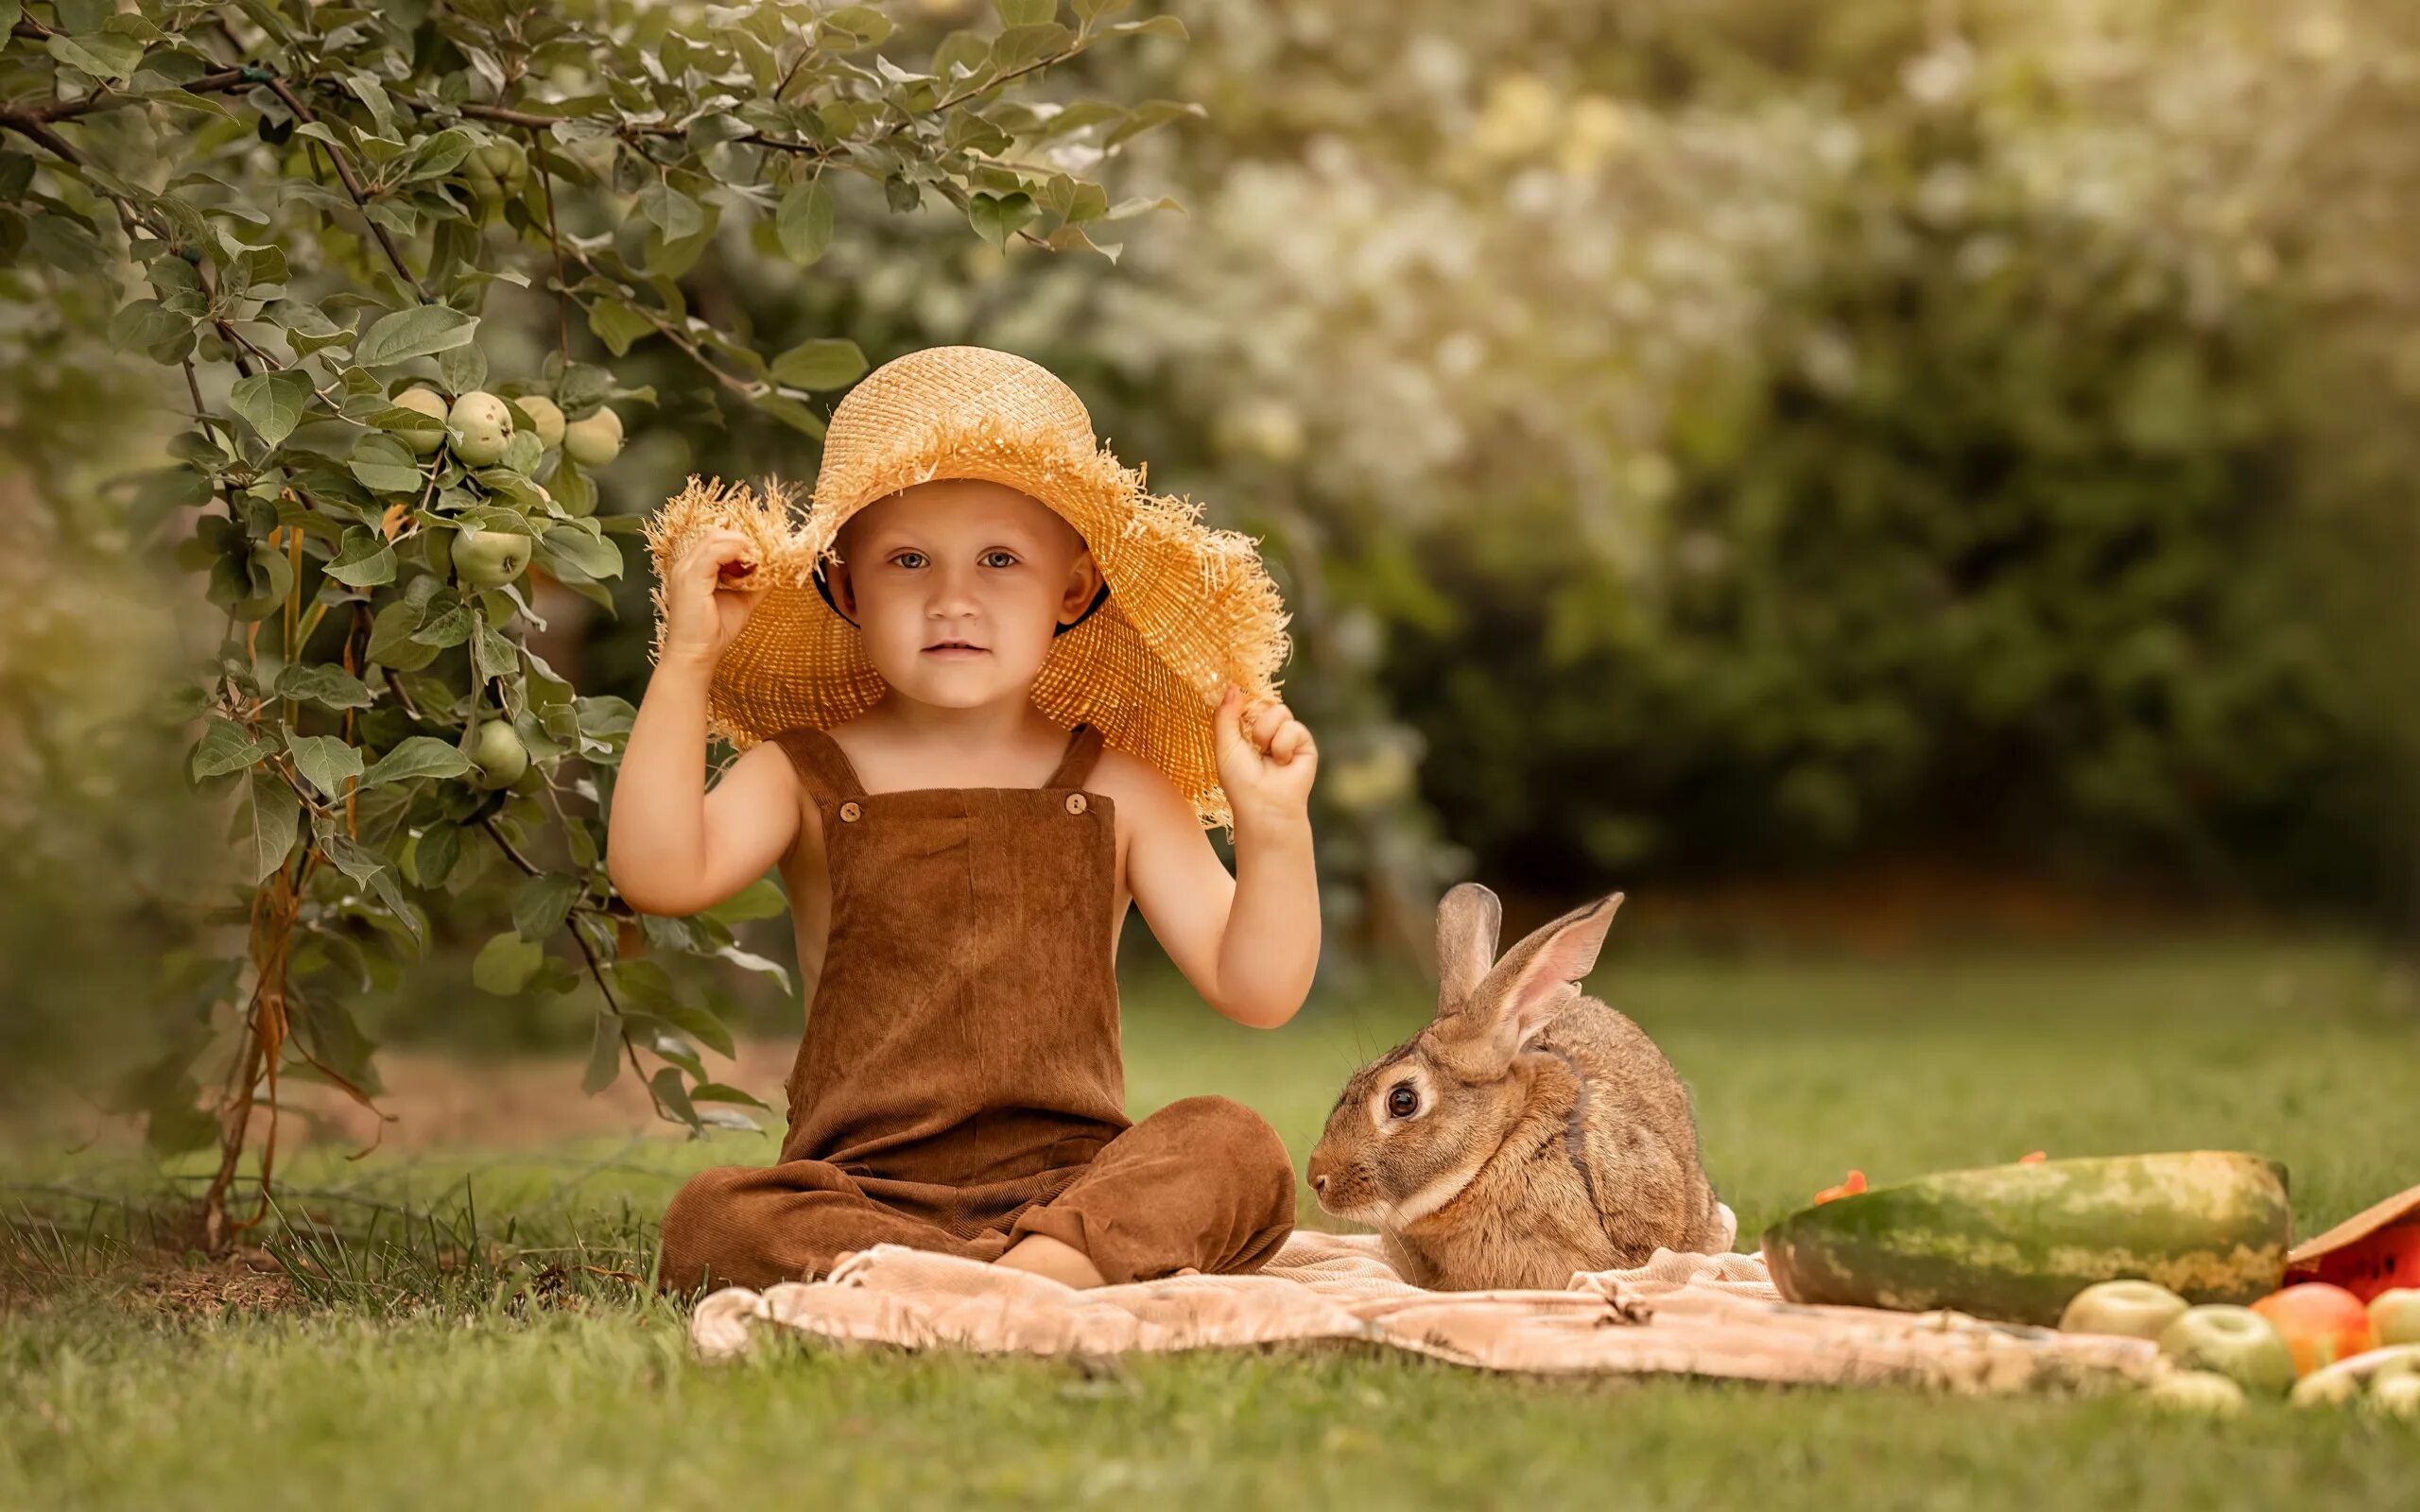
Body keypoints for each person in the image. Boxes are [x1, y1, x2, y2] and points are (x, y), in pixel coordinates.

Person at [610, 345, 1320, 1296]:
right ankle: (1031, 1285)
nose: (953, 598)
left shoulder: (1122, 785)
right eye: (908, 560)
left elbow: (1258, 988)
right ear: (847, 589)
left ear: (1071, 590)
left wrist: (1274, 827)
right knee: (714, 1216)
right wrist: (686, 663)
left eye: (1000, 558)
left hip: (1076, 1187)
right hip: (856, 1193)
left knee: (1232, 1144)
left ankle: (1001, 1274)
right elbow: (657, 872)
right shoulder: (803, 770)